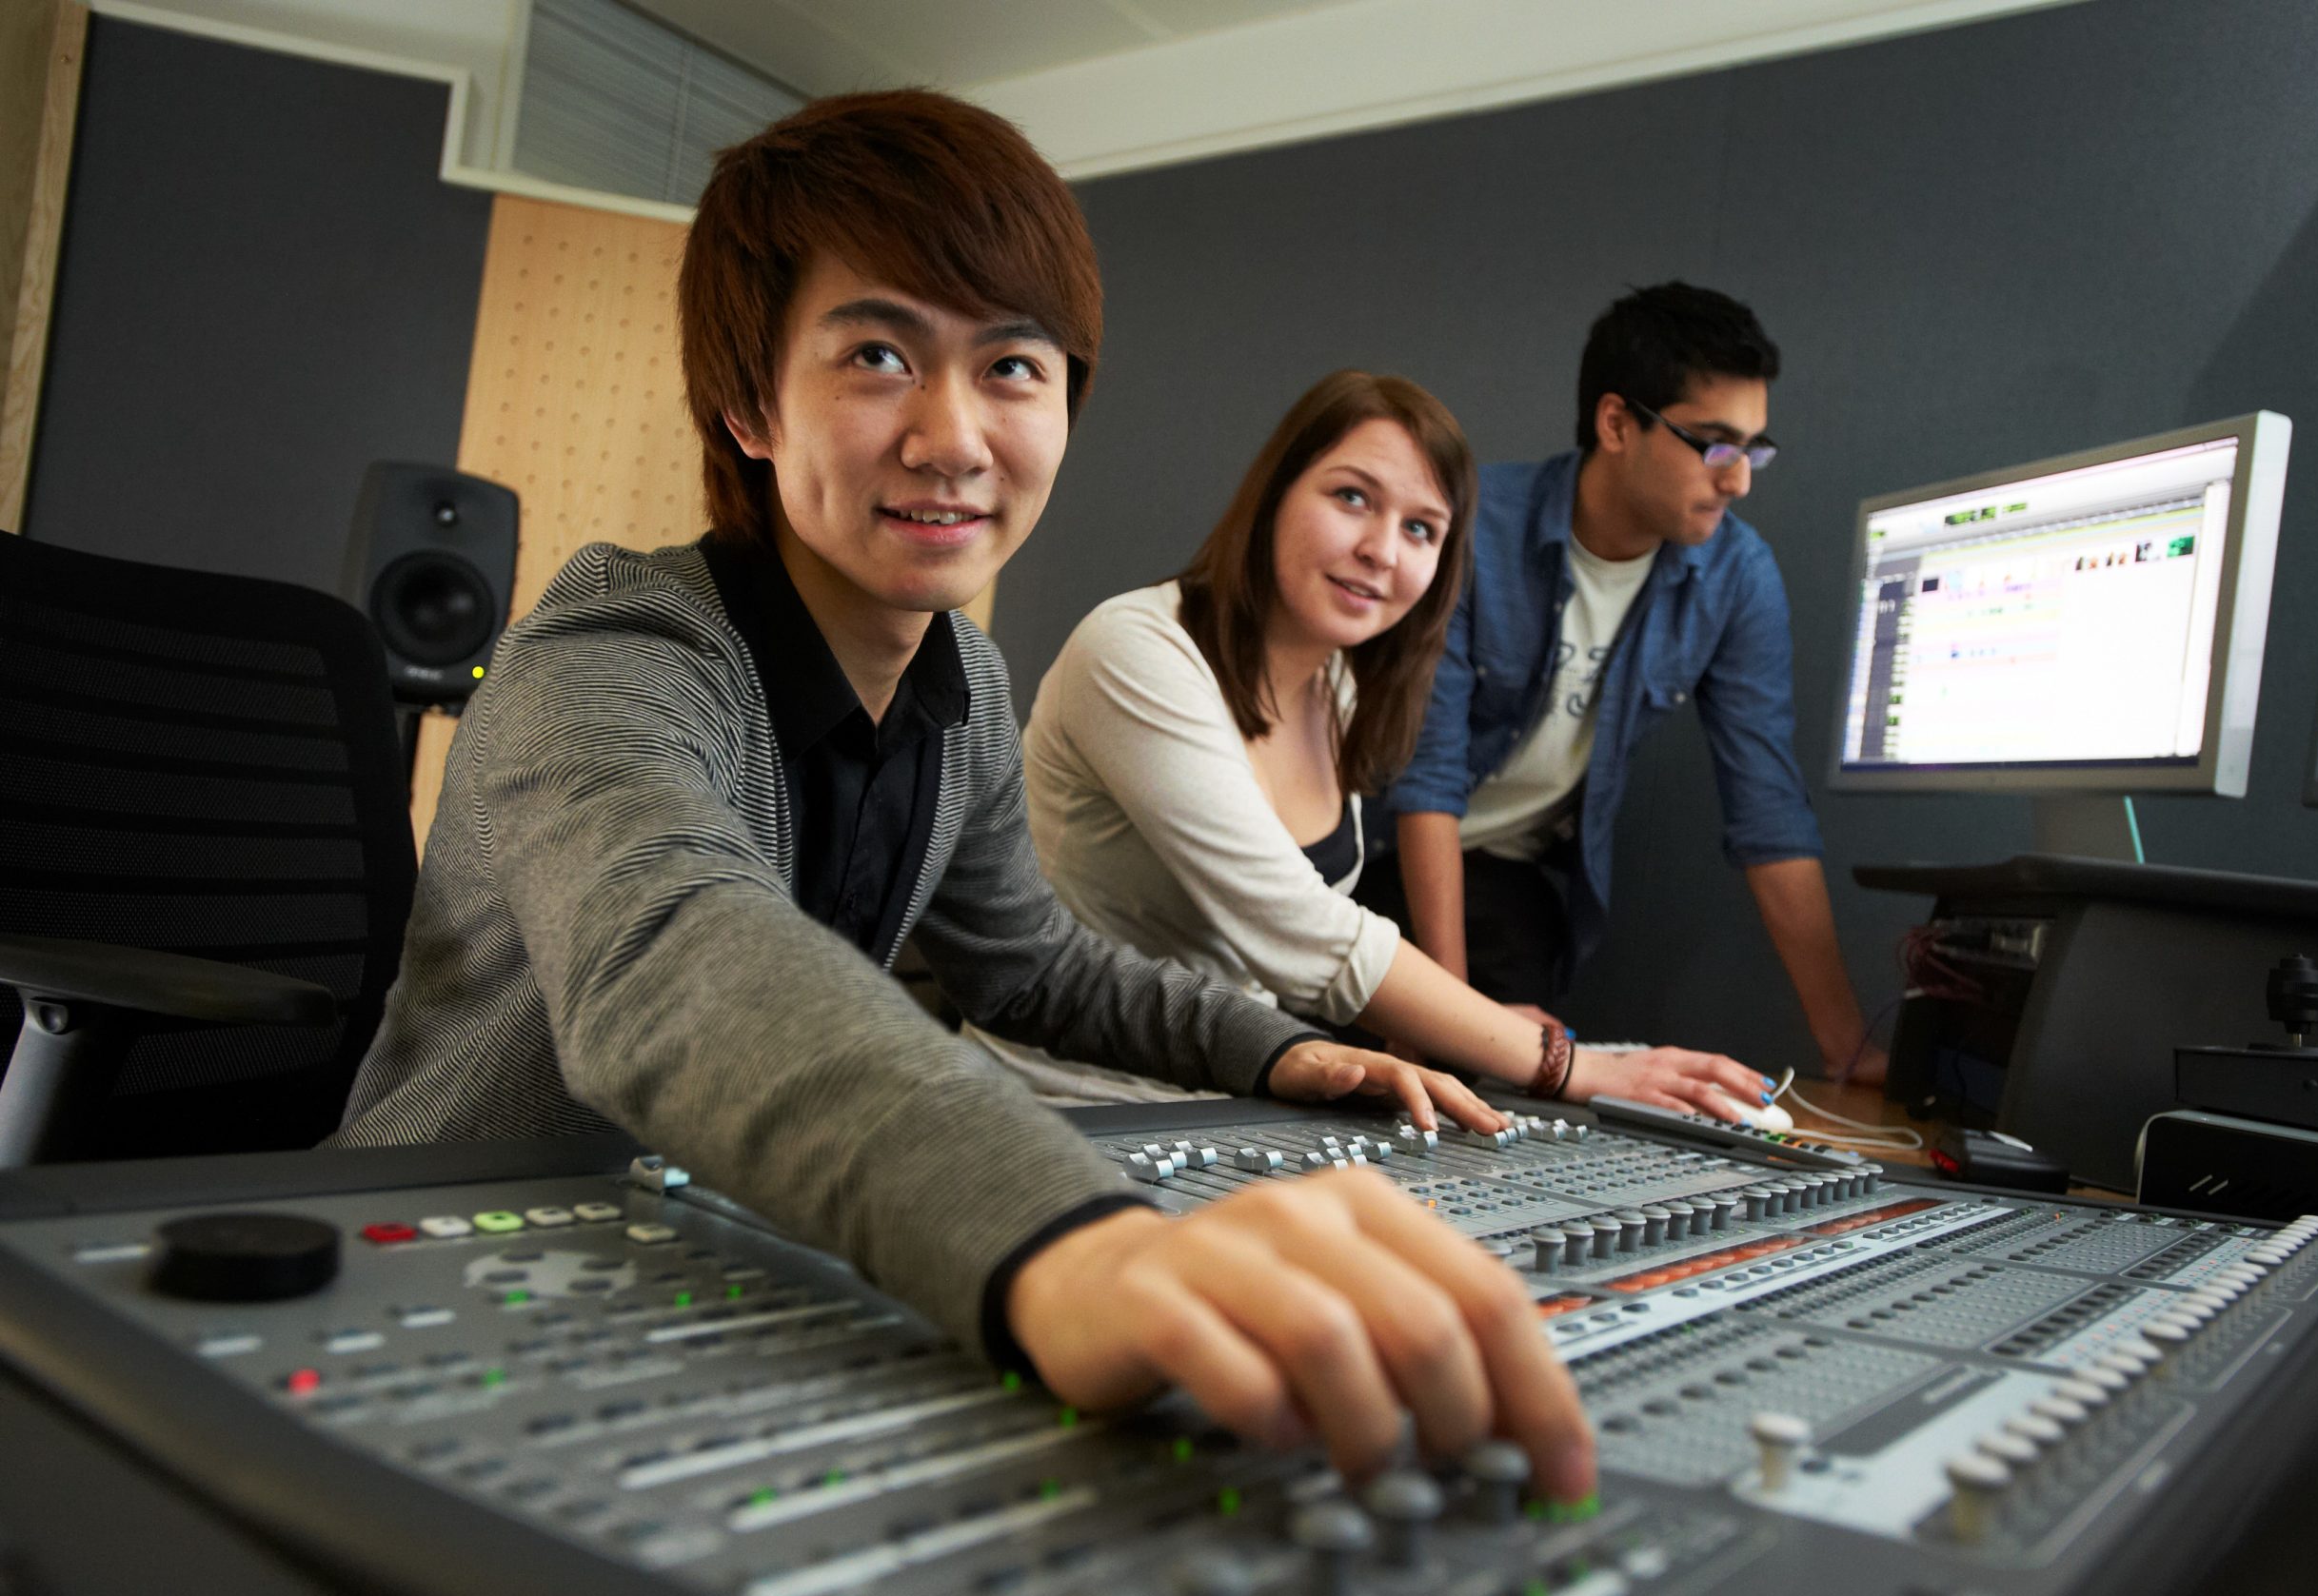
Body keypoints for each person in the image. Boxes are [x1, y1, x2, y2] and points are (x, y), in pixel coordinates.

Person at [331, 92, 1592, 1498]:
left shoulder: (968, 686)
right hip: (441, 1260)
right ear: (750, 402)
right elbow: (672, 948)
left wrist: (1280, 1052)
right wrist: (1064, 1232)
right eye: (878, 354)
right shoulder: (613, 647)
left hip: (719, 1249)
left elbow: (1034, 967)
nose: (954, 435)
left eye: (1011, 366)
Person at [999, 370, 1773, 1119]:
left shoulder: (1335, 686)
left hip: (1236, 1102)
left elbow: (1284, 976)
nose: (1383, 550)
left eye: (1421, 529)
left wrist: (1457, 1023)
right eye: (1351, 497)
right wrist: (1563, 1061)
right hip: (1073, 1109)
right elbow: (1301, 929)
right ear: (1274, 493)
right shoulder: (1137, 650)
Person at [1361, 284, 1890, 1085]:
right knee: (1368, 1066)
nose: (1740, 478)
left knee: (1510, 1090)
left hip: (1504, 878)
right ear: (1617, 423)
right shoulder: (1474, 526)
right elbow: (1425, 780)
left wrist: (1848, 1049)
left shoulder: (1735, 576)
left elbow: (1768, 812)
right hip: (1370, 847)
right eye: (1715, 445)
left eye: (1754, 448)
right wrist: (1457, 1016)